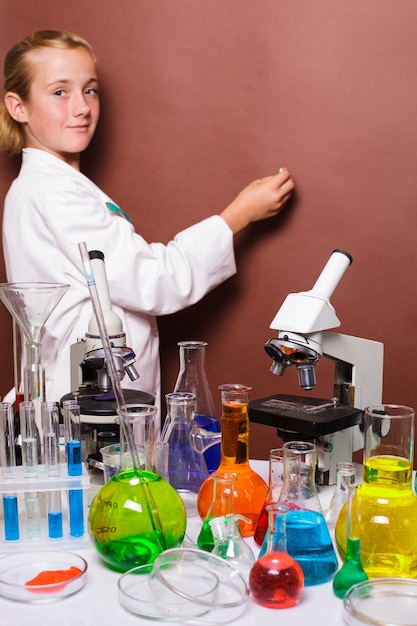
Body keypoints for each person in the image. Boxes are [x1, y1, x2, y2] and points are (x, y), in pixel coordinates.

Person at [0, 29, 294, 431]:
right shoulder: (54, 193)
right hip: (87, 410)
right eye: (59, 93)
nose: (81, 108)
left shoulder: (48, 188)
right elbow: (155, 280)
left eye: (90, 90)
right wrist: (239, 214)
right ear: (18, 106)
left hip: (89, 402)